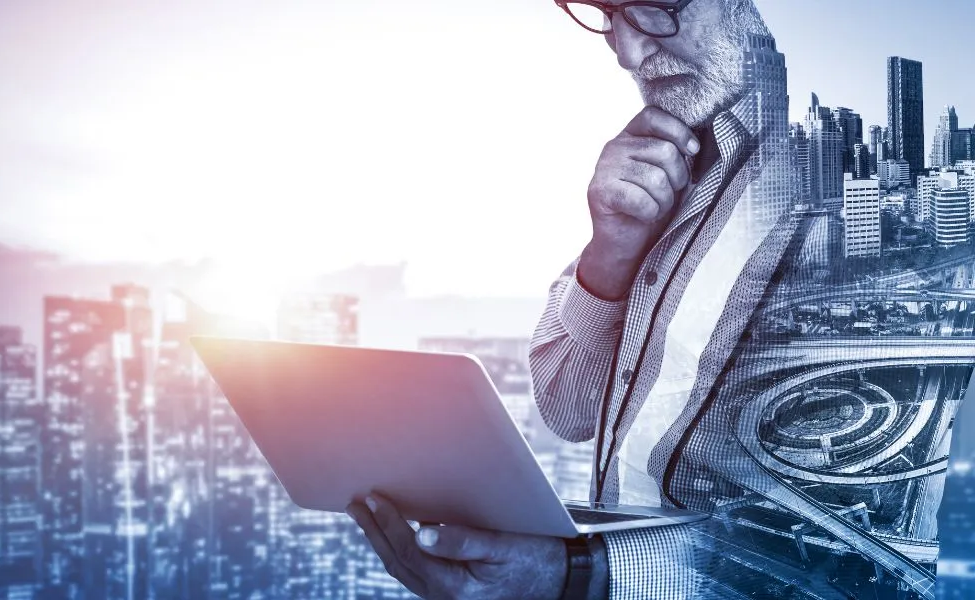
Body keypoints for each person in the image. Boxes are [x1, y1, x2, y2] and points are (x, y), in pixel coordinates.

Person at [348, 0, 968, 598]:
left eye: (651, 3)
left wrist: (575, 577)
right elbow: (568, 409)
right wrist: (611, 252)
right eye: (605, 12)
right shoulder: (670, 165)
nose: (626, 50)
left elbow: (872, 555)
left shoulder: (844, 193)